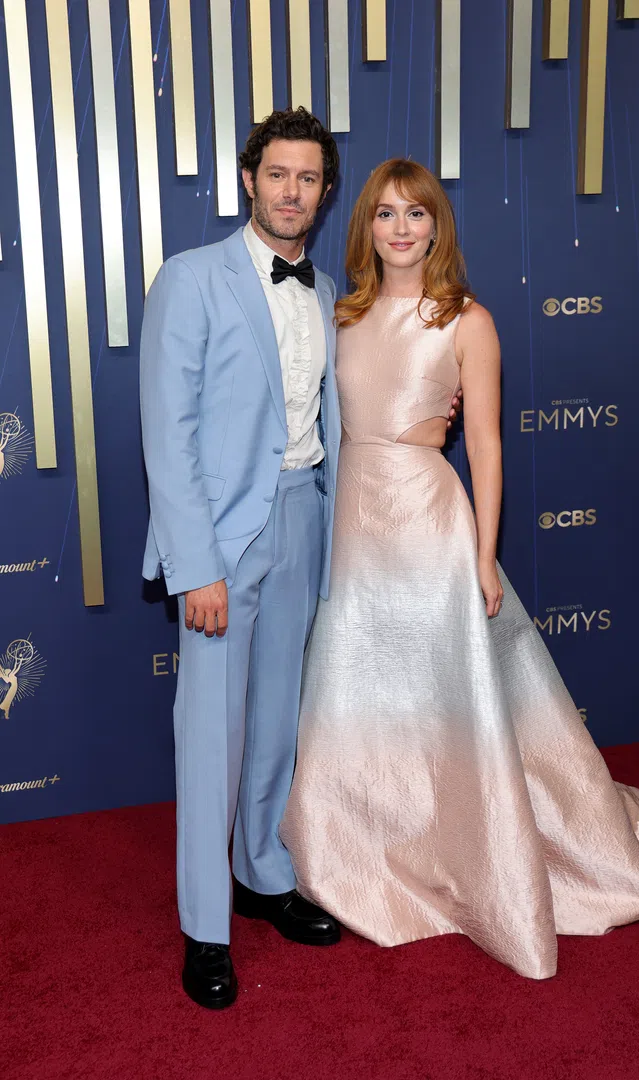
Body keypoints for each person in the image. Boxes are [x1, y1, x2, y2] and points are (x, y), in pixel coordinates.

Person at [281, 159, 639, 980]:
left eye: (417, 213)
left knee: (450, 695)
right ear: (365, 226)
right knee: (355, 688)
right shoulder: (340, 314)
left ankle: (480, 848)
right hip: (352, 521)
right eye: (384, 214)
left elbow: (485, 445)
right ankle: (356, 850)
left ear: (438, 226)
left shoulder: (468, 321)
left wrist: (483, 556)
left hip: (428, 516)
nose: (401, 228)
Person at [140, 108, 346, 1009]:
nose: (292, 191)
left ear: (323, 192)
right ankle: (203, 926)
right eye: (278, 175)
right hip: (223, 543)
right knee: (211, 736)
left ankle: (264, 875)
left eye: (308, 178)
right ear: (249, 179)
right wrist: (198, 565)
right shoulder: (191, 279)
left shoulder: (329, 287)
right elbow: (167, 435)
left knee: (277, 727)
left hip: (305, 519)